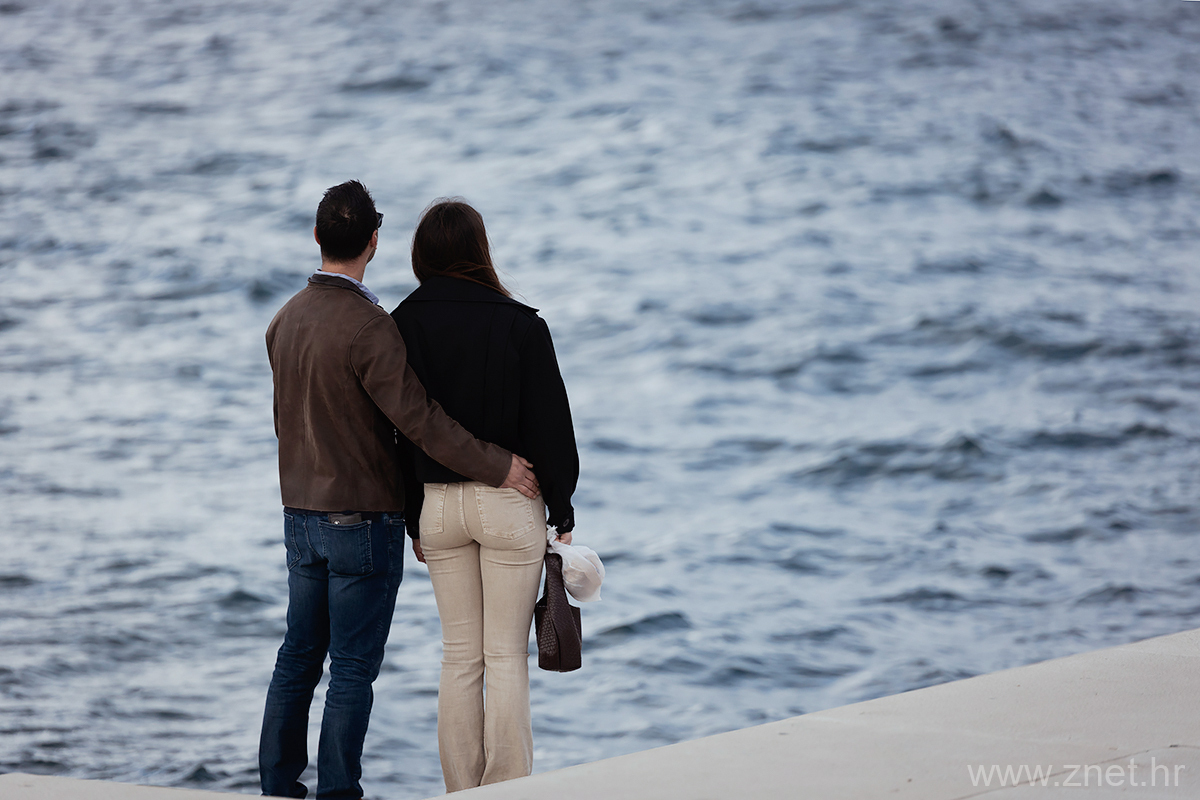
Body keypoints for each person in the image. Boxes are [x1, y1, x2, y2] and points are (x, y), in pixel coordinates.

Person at [259, 181, 540, 800]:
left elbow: (287, 421)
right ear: (374, 241)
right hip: (360, 519)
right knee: (351, 668)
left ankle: (277, 787)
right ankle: (338, 793)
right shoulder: (369, 326)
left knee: (297, 655)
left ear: (317, 236)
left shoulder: (284, 320)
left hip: (299, 515)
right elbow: (420, 421)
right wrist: (498, 467)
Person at [391, 199, 579, 792]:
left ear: (422, 253)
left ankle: (460, 789)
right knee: (504, 657)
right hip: (509, 501)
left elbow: (396, 429)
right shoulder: (522, 325)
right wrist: (563, 509)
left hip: (437, 506)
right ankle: (506, 790)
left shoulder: (400, 324)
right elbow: (552, 428)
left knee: (458, 656)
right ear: (480, 250)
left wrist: (411, 517)